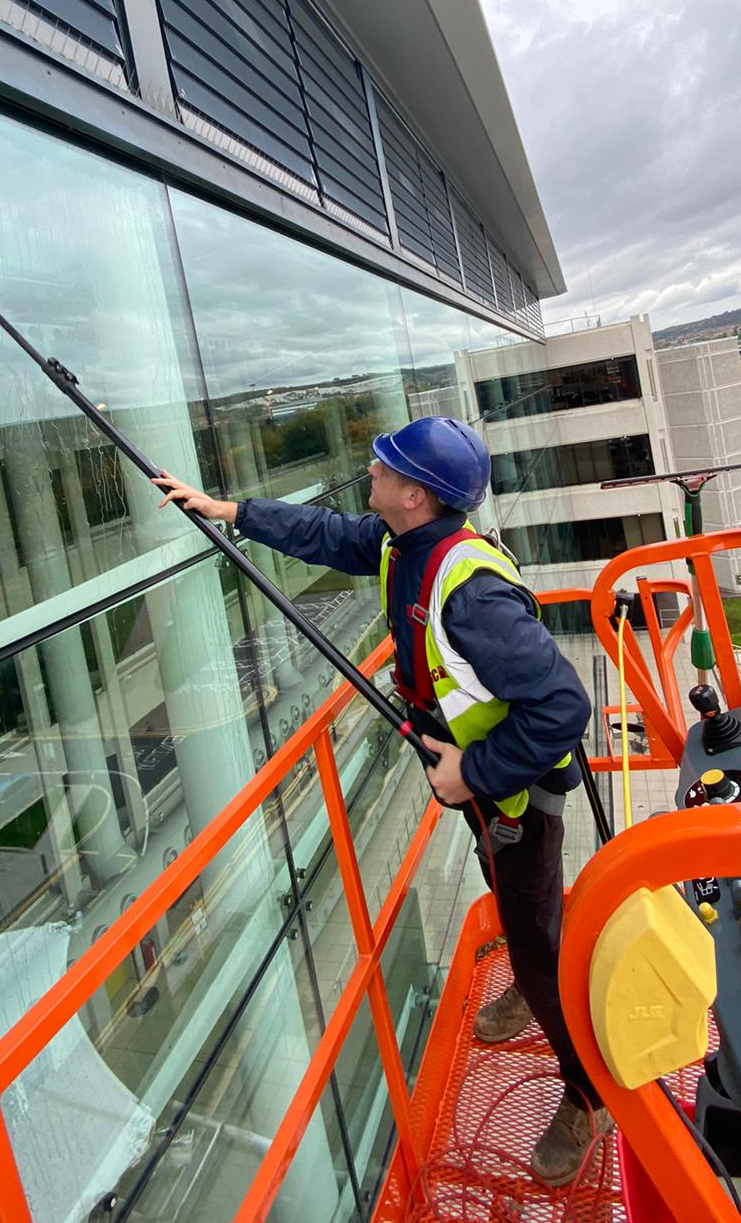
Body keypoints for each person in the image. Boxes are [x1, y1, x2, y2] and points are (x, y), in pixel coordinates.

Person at [152, 416, 608, 1184]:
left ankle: (583, 1093)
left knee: (535, 939)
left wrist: (476, 773)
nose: (369, 469)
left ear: (417, 496)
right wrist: (231, 512)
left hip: (515, 797)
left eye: (384, 466)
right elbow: (328, 535)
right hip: (484, 789)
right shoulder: (407, 543)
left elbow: (563, 707)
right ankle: (534, 993)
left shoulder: (471, 594)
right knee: (511, 903)